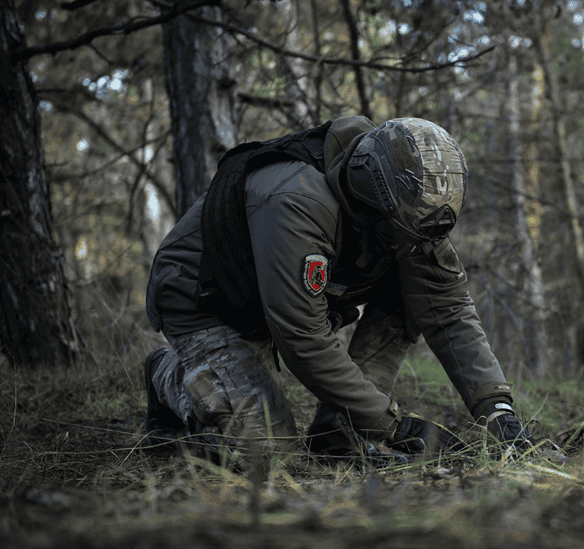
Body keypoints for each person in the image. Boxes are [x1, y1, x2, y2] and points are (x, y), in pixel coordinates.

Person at [143, 116, 537, 464]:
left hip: (274, 299)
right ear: (371, 206)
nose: (417, 241)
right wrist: (391, 425)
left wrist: (498, 412)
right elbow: (302, 337)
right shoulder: (297, 200)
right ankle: (168, 375)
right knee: (264, 451)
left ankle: (340, 434)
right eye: (402, 231)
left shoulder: (408, 207)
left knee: (410, 293)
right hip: (203, 298)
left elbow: (448, 309)